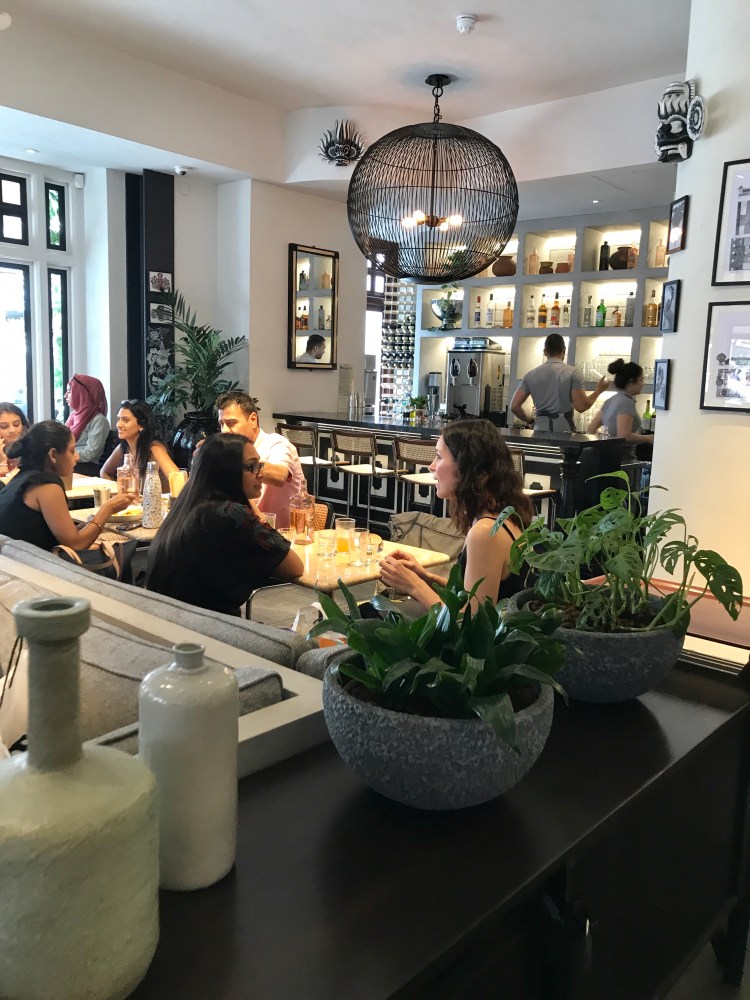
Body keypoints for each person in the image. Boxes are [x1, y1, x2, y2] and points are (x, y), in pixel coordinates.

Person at [379, 419, 534, 609]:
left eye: (438, 457)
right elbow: (470, 593)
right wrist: (424, 577)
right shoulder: (500, 516)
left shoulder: (485, 532)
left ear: (465, 466)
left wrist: (414, 585)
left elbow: (471, 624)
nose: (431, 466)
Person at [145, 433, 303, 615]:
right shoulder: (229, 514)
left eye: (260, 465)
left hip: (167, 618)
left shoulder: (186, 504)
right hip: (207, 627)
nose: (260, 474)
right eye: (252, 467)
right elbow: (294, 567)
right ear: (227, 470)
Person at [0, 420, 134, 550]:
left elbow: (64, 534)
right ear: (53, 454)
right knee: (125, 546)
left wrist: (98, 518)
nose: (76, 457)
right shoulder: (46, 486)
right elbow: (76, 544)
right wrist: (107, 509)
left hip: (14, 562)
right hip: (35, 568)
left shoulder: (21, 477)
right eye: (72, 451)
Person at [216, 391, 306, 529]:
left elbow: (280, 476)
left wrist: (242, 463)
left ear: (253, 419)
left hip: (284, 536)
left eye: (232, 423)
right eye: (222, 424)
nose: (225, 431)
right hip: (251, 532)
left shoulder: (277, 444)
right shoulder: (230, 453)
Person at [510, 333, 609, 432]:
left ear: (545, 352)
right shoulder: (573, 373)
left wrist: (530, 420)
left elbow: (514, 406)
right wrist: (598, 391)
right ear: (564, 351)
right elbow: (581, 406)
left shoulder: (530, 375)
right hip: (563, 430)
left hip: (539, 429)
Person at [100, 399, 178, 491]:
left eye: (125, 420)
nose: (118, 425)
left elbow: (177, 478)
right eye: (118, 419)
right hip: (136, 504)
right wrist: (118, 493)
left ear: (141, 426)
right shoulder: (123, 448)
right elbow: (104, 472)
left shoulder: (154, 448)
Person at [588, 359, 655, 461]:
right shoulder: (627, 402)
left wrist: (603, 438)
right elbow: (624, 435)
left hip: (604, 460)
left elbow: (591, 429)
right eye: (641, 379)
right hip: (623, 461)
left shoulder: (610, 400)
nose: (643, 384)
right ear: (631, 381)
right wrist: (648, 438)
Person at [65, 374, 110, 475]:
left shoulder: (99, 420)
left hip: (85, 468)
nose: (65, 395)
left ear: (81, 393)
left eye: (69, 391)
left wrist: (65, 455)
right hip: (71, 463)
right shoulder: (73, 415)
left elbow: (91, 453)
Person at [0, 402, 29, 480]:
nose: (12, 430)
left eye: (16, 424)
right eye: (4, 427)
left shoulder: (31, 448)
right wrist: (2, 463)